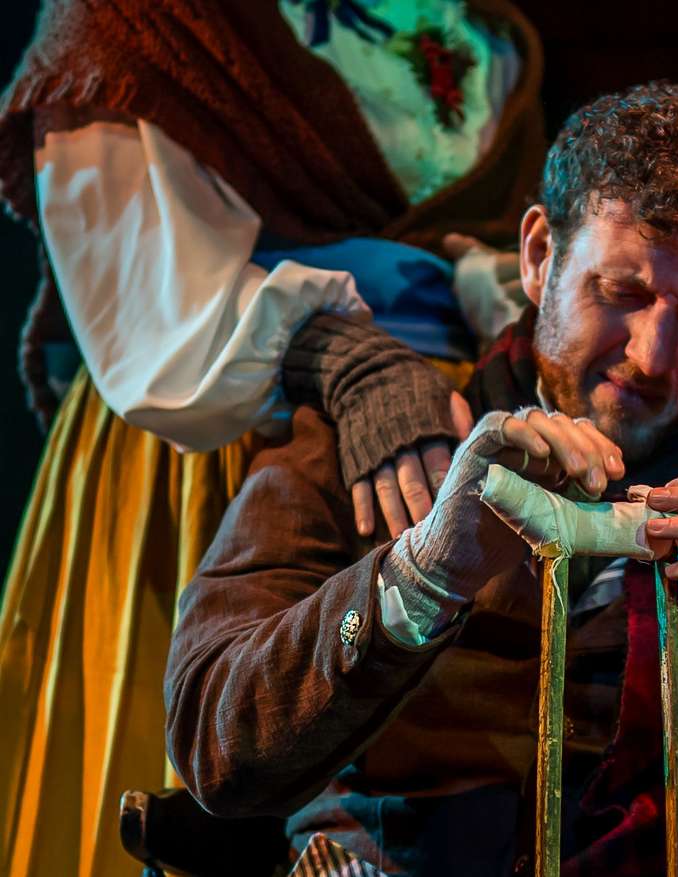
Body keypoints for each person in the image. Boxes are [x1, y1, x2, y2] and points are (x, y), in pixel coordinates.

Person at [165, 82, 678, 876]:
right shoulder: (371, 448)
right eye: (620, 293)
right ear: (538, 254)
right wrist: (420, 577)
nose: (650, 355)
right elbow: (212, 748)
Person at [0, 2, 543, 874]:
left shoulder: (475, 29)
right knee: (213, 759)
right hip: (214, 428)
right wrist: (343, 357)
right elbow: (150, 299)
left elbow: (478, 224)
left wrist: (488, 290)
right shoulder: (131, 21)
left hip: (442, 434)